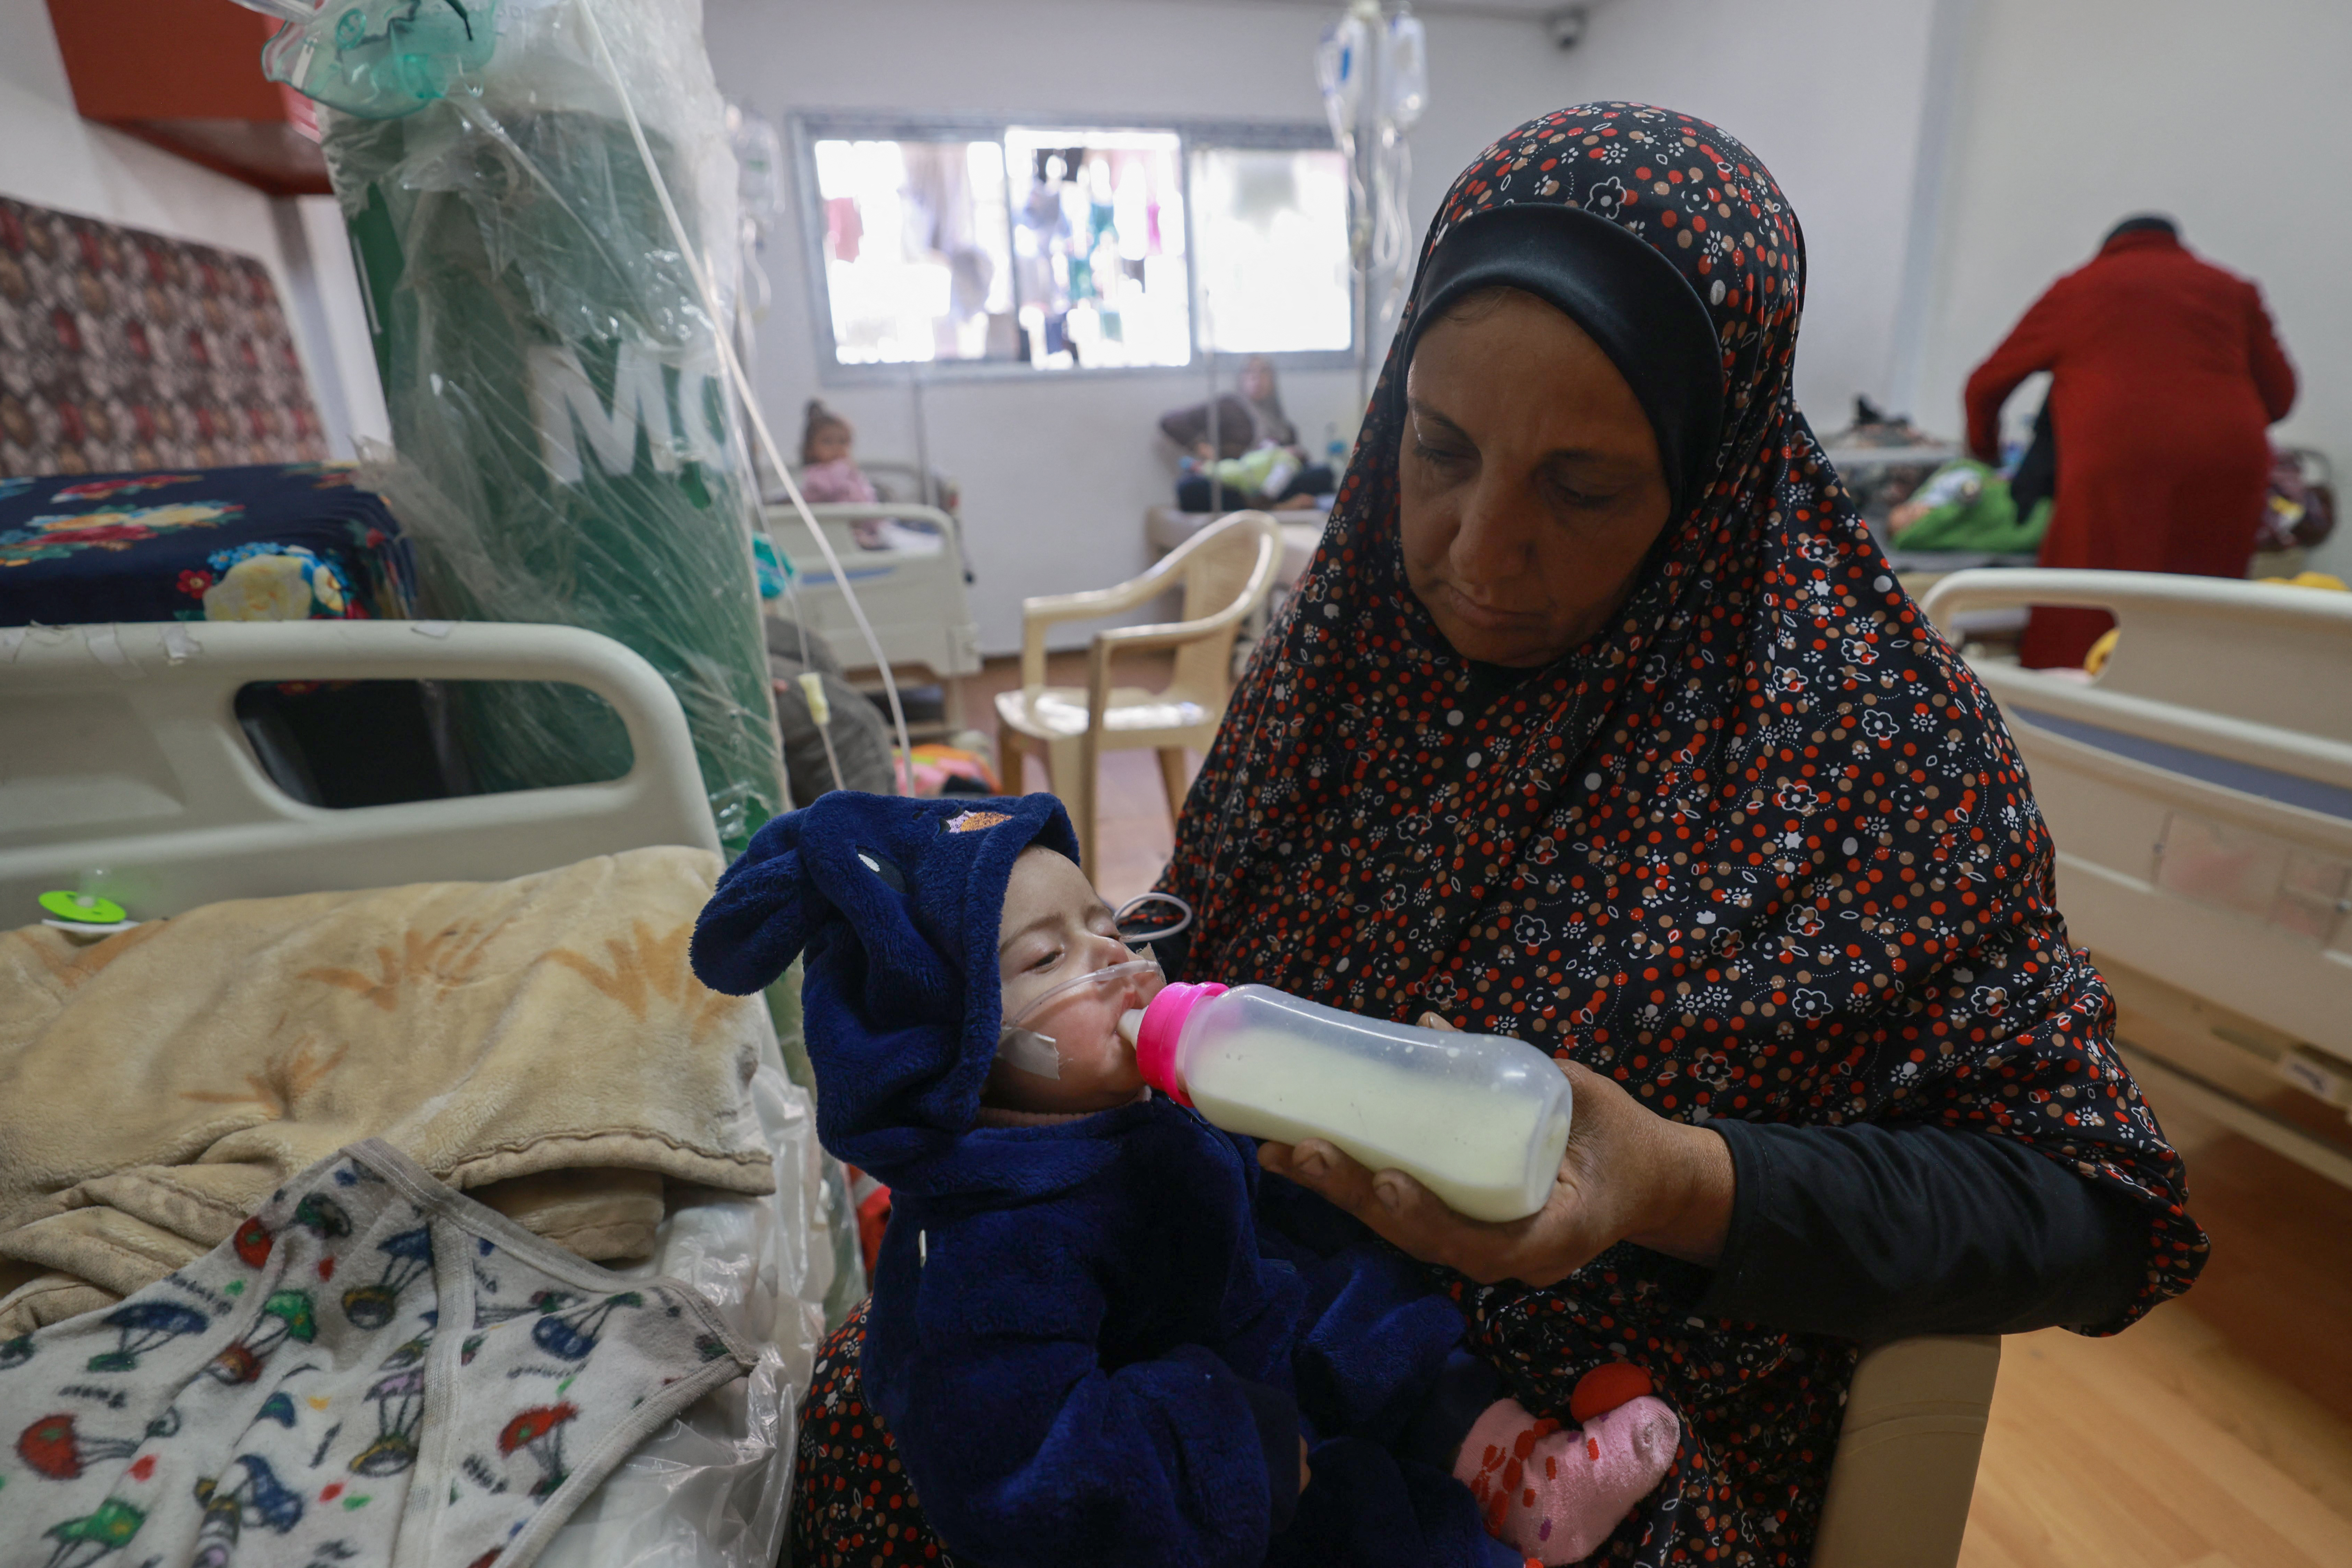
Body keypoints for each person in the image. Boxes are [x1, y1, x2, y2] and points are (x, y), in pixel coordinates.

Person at [1151, 103, 2205, 1566]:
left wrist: (1673, 1181)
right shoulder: (1341, 659)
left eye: (1578, 488)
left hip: (1594, 1469)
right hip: (1264, 1350)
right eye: (1437, 448)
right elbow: (1187, 986)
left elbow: (2094, 1208)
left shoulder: (1860, 745)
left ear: (1712, 476)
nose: (1473, 552)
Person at [691, 790, 1677, 1567]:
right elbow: (1014, 1471)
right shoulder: (983, 1250)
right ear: (954, 1053)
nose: (1117, 957)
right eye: (1048, 956)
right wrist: (1230, 1453)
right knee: (1359, 1529)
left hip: (1254, 1332)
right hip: (1210, 1456)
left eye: (1107, 921)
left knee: (1363, 1296)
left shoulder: (1140, 1101)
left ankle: (1510, 1463)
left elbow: (1263, 1211)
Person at [1964, 215, 2298, 667]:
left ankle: (2065, 718)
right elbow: (2280, 399)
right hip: (2228, 461)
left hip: (2117, 458)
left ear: (2109, 247)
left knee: (2088, 600)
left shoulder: (2079, 287)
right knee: (2204, 602)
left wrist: (1986, 454)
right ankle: (2193, 710)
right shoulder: (2232, 289)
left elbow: (1984, 386)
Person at [1162, 355, 1336, 512]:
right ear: (1241, 378)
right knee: (1188, 488)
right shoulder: (1228, 406)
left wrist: (1295, 456)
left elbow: (1296, 465)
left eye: (1263, 372)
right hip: (1234, 480)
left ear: (1273, 379)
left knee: (1325, 474)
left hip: (1271, 485)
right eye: (1249, 372)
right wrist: (1200, 446)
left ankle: (1264, 504)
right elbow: (1171, 422)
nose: (1256, 378)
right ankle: (1271, 508)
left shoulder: (1284, 426)